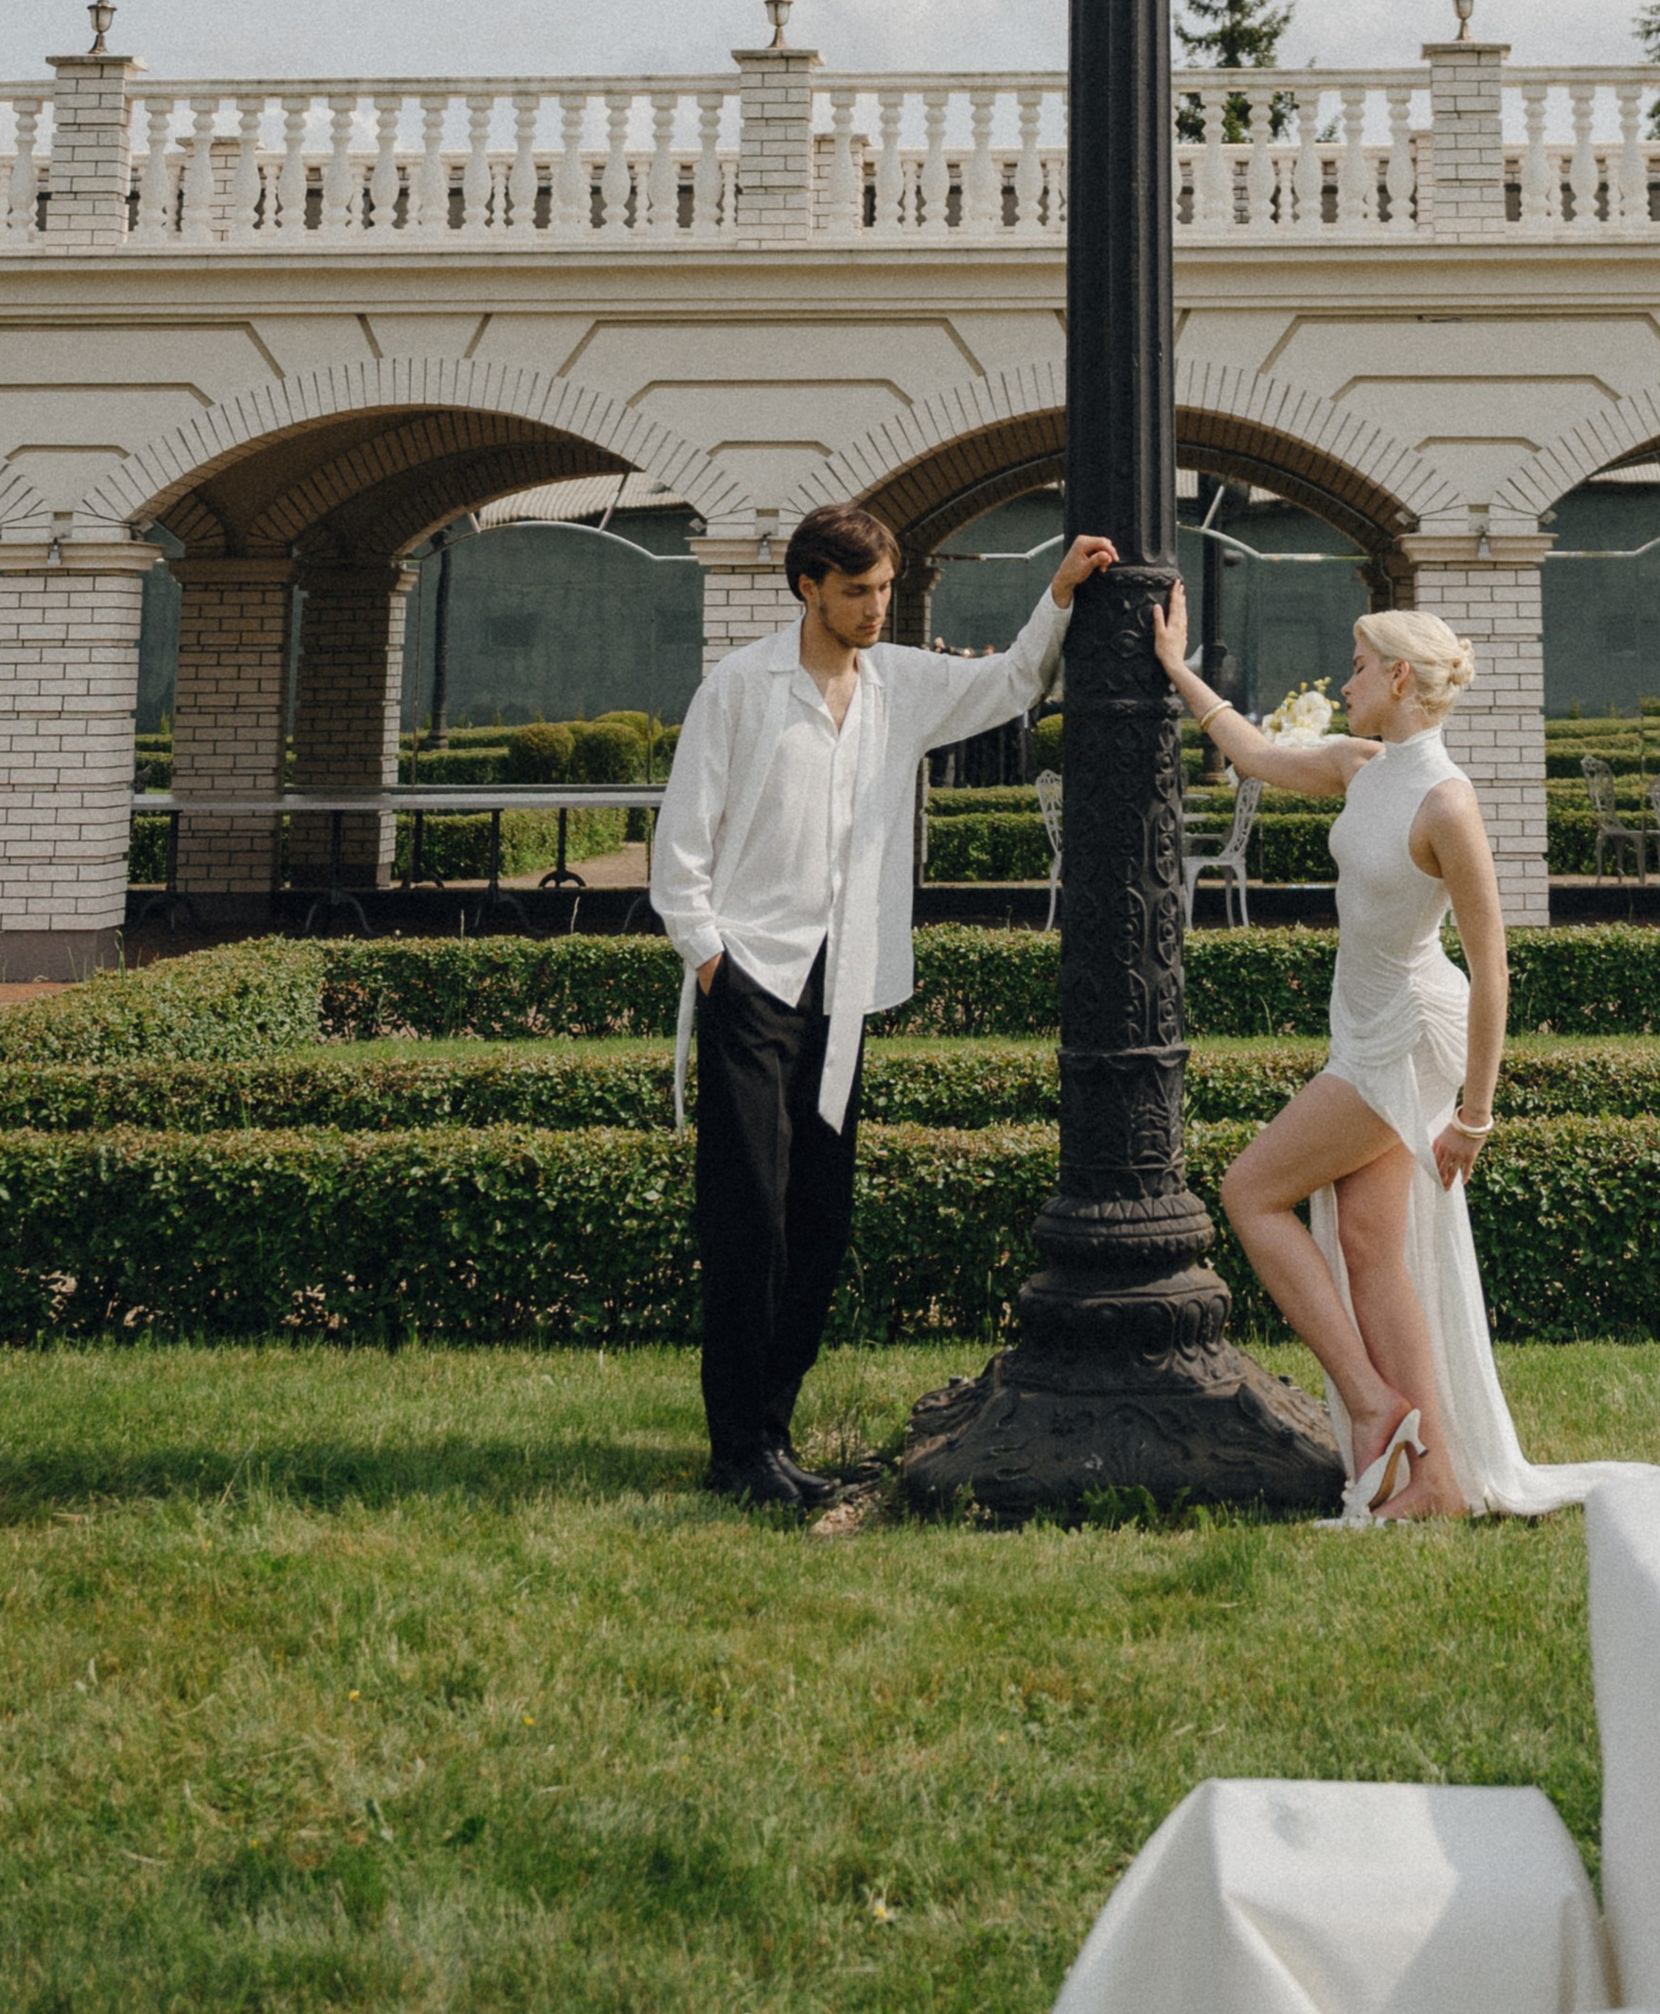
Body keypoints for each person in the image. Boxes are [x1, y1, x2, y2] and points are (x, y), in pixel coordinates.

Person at [656, 501, 1118, 1510]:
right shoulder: (739, 687)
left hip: (846, 983)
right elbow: (679, 849)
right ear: (807, 586)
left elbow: (1006, 682)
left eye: (884, 589)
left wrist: (1057, 597)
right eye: (857, 589)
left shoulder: (899, 683)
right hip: (751, 982)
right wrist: (710, 960)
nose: (875, 607)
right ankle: (739, 1449)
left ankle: (771, 1433)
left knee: (818, 1218)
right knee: (750, 1224)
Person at [1150, 584, 1599, 1525]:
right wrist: (1176, 667)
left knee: (1249, 1191)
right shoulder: (1364, 766)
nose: (1346, 680)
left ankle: (1370, 1405)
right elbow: (1259, 755)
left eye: (1358, 666)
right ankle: (1431, 1481)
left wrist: (1475, 1116)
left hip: (1407, 1035)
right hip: (1361, 1023)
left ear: (1398, 677)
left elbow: (1492, 966)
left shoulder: (1447, 804)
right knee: (1368, 1248)